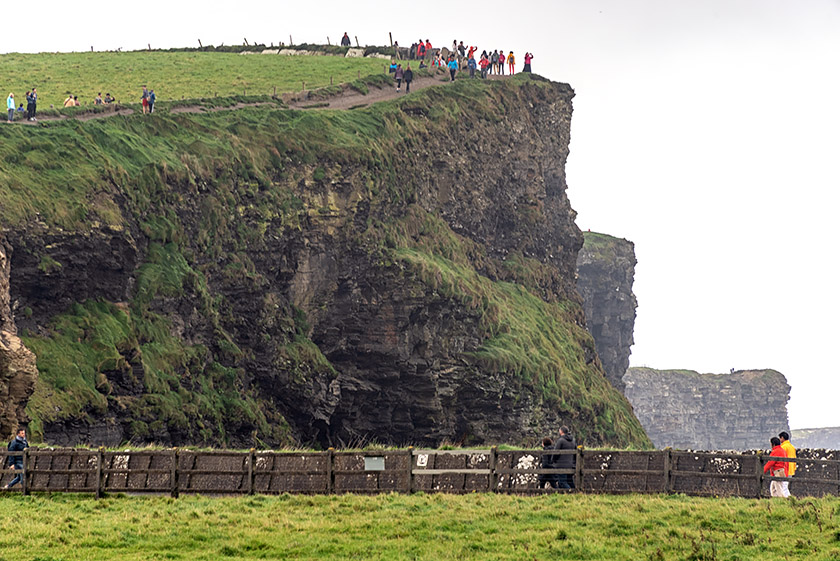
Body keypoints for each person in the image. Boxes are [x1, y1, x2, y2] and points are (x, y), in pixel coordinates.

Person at [779, 431, 796, 498]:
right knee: (785, 486)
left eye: (780, 438)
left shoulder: (783, 447)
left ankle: (788, 499)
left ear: (782, 438)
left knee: (783, 487)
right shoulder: (792, 447)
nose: (780, 440)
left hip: (785, 469)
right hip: (791, 469)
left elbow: (781, 458)